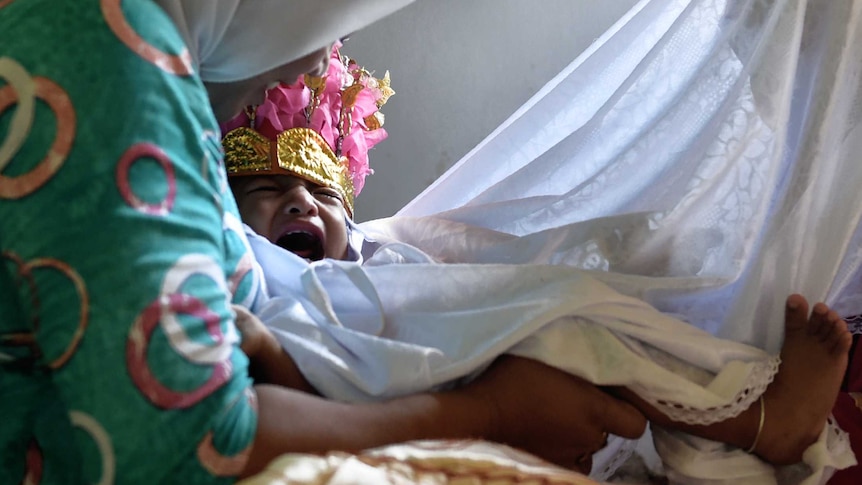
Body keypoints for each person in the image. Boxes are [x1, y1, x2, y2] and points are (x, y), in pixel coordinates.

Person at [0, 1, 648, 483]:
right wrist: (494, 414)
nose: (319, 60)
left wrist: (278, 360)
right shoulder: (104, 58)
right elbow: (190, 445)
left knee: (579, 310)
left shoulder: (144, 57)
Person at [220, 46, 855, 480]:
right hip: (373, 383)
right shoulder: (239, 265)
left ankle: (752, 422)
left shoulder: (380, 257)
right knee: (560, 324)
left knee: (568, 313)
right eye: (266, 192)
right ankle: (765, 426)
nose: (300, 198)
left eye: (324, 194)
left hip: (444, 367)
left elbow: (445, 293)